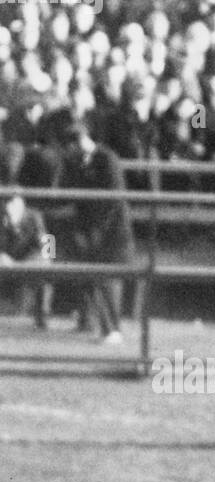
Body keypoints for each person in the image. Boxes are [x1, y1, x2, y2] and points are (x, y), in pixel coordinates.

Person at [60, 121, 134, 345]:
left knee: (107, 280)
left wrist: (97, 229)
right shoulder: (80, 162)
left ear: (80, 141)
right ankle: (96, 324)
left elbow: (113, 198)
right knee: (92, 277)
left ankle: (113, 330)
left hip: (112, 230)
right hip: (92, 230)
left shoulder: (107, 158)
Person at [0, 191, 52, 329]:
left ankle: (42, 317)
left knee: (43, 271)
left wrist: (47, 260)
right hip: (6, 257)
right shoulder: (2, 217)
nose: (11, 206)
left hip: (29, 258)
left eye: (16, 201)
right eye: (8, 202)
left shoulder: (34, 215)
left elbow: (47, 240)